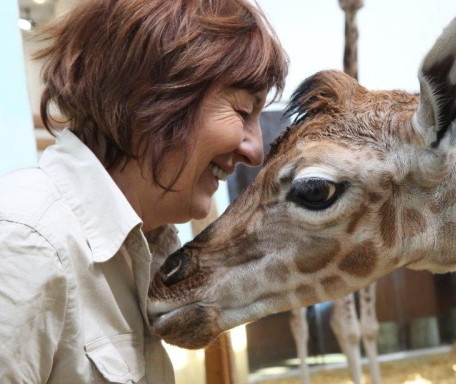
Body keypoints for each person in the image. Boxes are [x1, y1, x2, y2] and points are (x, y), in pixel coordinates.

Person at [0, 0, 287, 382]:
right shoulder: (26, 243)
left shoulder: (141, 255)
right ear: (155, 95)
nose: (254, 151)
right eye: (241, 111)